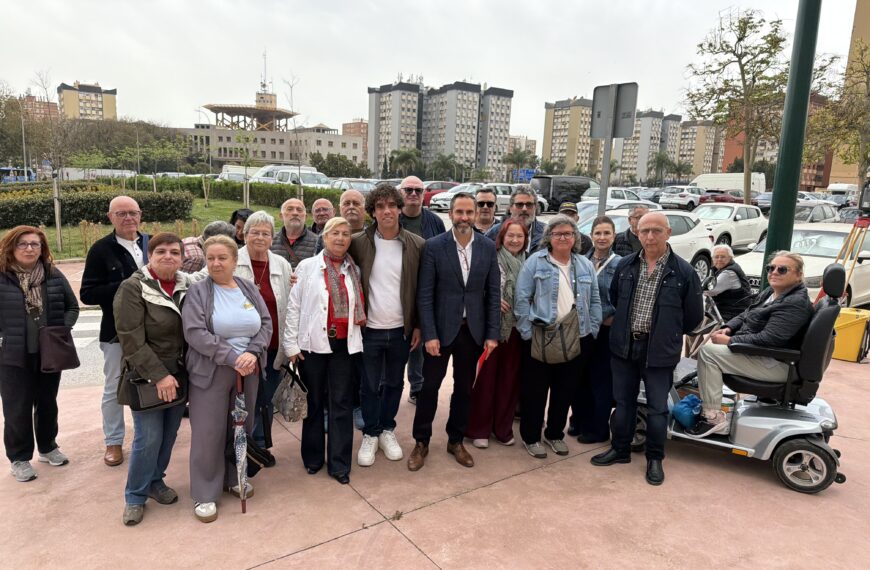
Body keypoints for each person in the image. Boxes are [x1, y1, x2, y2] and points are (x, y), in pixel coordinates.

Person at [591, 212, 703, 486]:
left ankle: (655, 458)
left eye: (656, 231)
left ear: (668, 233)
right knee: (624, 402)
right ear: (637, 233)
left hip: (660, 351)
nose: (650, 237)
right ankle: (620, 449)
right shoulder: (626, 265)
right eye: (645, 231)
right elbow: (616, 297)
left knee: (657, 408)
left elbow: (692, 317)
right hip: (625, 347)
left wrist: (668, 334)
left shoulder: (684, 272)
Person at [182, 235, 272, 523]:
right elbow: (195, 332)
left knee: (241, 428)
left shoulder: (247, 287)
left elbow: (266, 323)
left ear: (235, 261)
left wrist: (253, 352)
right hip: (212, 370)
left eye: (222, 258)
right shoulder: (198, 292)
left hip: (249, 370)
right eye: (211, 258)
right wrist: (232, 357)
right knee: (209, 431)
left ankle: (235, 476)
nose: (216, 263)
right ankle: (205, 492)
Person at [409, 193, 500, 471]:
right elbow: (425, 295)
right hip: (440, 331)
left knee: (464, 389)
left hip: (471, 332)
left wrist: (492, 333)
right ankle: (421, 441)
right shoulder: (435, 247)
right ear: (450, 214)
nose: (464, 217)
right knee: (429, 388)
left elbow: (493, 293)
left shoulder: (487, 247)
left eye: (468, 212)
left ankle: (455, 440)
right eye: (459, 212)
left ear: (475, 215)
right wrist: (429, 333)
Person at [688, 251, 814, 438]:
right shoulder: (773, 292)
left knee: (708, 353)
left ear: (798, 275)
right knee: (714, 349)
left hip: (779, 365)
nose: (774, 272)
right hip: (770, 357)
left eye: (782, 269)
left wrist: (730, 341)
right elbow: (747, 312)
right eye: (770, 268)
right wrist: (729, 328)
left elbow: (769, 339)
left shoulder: (794, 304)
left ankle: (713, 418)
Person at [113, 233, 190, 526]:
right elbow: (130, 340)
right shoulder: (133, 288)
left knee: (170, 434)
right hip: (146, 377)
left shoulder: (186, 284)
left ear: (182, 257)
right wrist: (159, 376)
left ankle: (156, 481)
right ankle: (134, 496)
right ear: (149, 255)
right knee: (148, 438)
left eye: (174, 251)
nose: (168, 256)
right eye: (161, 251)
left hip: (180, 374)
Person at [283, 217, 366, 484]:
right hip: (313, 346)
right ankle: (313, 457)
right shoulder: (307, 267)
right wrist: (291, 345)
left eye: (345, 234)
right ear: (325, 237)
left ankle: (340, 464)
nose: (341, 238)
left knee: (341, 403)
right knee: (315, 402)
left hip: (344, 345)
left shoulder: (354, 269)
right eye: (335, 233)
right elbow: (294, 306)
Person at [349, 185, 424, 467]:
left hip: (400, 330)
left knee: (394, 382)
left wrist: (416, 325)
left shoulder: (416, 244)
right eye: (380, 207)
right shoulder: (359, 243)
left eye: (392, 205)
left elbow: (421, 290)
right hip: (369, 330)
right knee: (369, 385)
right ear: (373, 212)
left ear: (400, 208)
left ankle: (387, 429)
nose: (387, 211)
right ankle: (370, 433)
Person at [514, 215, 601, 459]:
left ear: (575, 238)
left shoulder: (584, 265)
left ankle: (554, 434)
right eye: (558, 233)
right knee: (535, 391)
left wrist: (591, 331)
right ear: (549, 238)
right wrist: (527, 333)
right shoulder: (535, 262)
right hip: (541, 336)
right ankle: (531, 437)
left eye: (568, 233)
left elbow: (594, 300)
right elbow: (521, 299)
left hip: (577, 336)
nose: (563, 237)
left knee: (565, 390)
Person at [0, 227, 79, 483]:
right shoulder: (2, 276)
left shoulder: (52, 274)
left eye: (35, 244)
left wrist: (59, 331)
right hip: (11, 355)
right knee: (17, 407)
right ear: (11, 247)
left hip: (49, 353)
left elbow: (72, 306)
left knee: (47, 403)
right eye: (23, 244)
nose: (29, 249)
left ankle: (48, 447)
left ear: (42, 248)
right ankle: (20, 458)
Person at [80, 195, 149, 467]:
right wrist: (127, 286)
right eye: (121, 213)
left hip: (153, 330)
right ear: (110, 217)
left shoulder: (151, 244)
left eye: (132, 212)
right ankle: (114, 441)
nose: (128, 218)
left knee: (152, 382)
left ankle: (148, 438)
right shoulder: (100, 250)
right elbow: (87, 293)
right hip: (116, 331)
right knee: (113, 388)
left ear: (140, 215)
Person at [233, 212, 293, 450]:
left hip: (274, 345)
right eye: (254, 232)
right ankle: (242, 444)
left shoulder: (281, 264)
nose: (260, 237)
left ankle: (259, 444)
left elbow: (291, 300)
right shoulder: (232, 260)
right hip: (242, 348)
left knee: (265, 398)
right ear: (245, 235)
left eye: (265, 233)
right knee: (245, 398)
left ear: (272, 237)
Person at [465, 219, 527, 448]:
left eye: (519, 236)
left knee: (509, 382)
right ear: (502, 236)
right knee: (485, 381)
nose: (514, 240)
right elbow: (473, 287)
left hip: (517, 329)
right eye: (510, 235)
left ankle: (502, 428)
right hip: (491, 327)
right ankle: (479, 429)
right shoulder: (490, 256)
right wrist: (490, 299)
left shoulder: (528, 261)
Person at [570, 216, 621, 443]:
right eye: (598, 233)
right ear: (591, 235)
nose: (602, 238)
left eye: (606, 233)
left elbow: (623, 298)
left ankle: (598, 429)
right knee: (579, 378)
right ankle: (578, 421)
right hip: (582, 330)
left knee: (600, 381)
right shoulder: (581, 261)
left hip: (605, 331)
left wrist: (613, 318)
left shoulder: (620, 263)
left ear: (614, 236)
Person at [398, 176, 446, 405]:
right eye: (409, 190)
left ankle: (416, 386)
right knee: (399, 339)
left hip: (427, 288)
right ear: (401, 192)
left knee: (421, 338)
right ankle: (388, 385)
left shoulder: (435, 221)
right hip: (397, 289)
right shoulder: (391, 219)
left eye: (418, 190)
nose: (413, 194)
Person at [485, 186, 545, 252]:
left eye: (529, 205)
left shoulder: (546, 233)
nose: (524, 209)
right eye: (519, 204)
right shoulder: (493, 233)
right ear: (510, 208)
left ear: (535, 207)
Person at [706, 244, 752, 321]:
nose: (719, 259)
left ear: (730, 258)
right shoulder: (717, 269)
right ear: (712, 259)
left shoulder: (729, 273)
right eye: (716, 257)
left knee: (694, 327)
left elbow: (711, 290)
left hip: (731, 315)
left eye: (723, 257)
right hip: (725, 312)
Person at [270, 198, 318, 269]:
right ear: (281, 216)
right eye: (289, 209)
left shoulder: (318, 242)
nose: (295, 213)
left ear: (306, 216)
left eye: (299, 210)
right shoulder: (269, 240)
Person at [315, 189, 367, 253]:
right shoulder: (325, 235)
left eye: (356, 203)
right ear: (340, 208)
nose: (351, 207)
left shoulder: (371, 237)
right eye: (346, 203)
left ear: (364, 208)